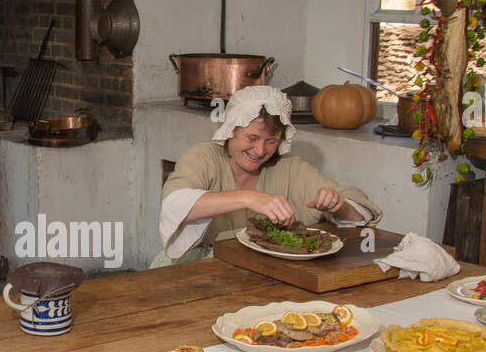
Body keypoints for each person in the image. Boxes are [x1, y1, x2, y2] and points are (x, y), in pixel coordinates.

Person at [154, 85, 381, 264]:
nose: (260, 151)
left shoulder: (288, 168)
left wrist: (338, 205)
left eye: (271, 141)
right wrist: (248, 197)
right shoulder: (204, 157)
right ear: (231, 129)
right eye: (252, 138)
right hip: (199, 266)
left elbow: (359, 212)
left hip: (265, 268)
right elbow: (174, 204)